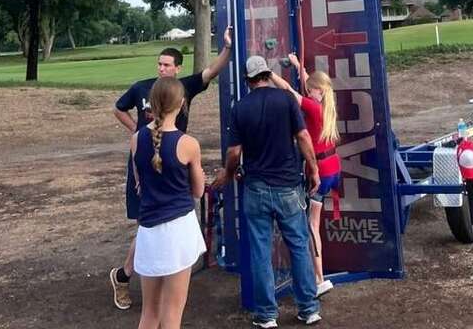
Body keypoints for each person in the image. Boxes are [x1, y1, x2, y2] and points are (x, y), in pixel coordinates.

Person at [109, 28, 232, 310]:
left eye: (167, 64)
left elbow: (211, 71)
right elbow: (118, 108)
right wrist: (136, 130)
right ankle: (127, 277)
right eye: (159, 64)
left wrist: (226, 48)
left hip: (174, 160)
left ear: (177, 68)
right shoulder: (142, 87)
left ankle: (127, 275)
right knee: (149, 221)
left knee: (164, 221)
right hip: (146, 162)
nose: (161, 68)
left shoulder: (184, 87)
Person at [214, 55, 322, 328]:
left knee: (261, 251)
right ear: (267, 74)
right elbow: (303, 137)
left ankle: (266, 315)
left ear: (248, 80)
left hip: (256, 188)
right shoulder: (285, 100)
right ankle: (308, 309)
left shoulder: (240, 108)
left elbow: (234, 152)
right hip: (288, 186)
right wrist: (313, 168)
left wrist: (229, 173)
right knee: (299, 246)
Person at [129, 77, 206, 329]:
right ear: (182, 103)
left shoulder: (136, 139)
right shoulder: (188, 144)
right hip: (177, 231)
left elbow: (139, 184)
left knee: (149, 313)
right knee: (172, 314)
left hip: (149, 231)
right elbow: (198, 190)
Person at [271, 53, 341, 296]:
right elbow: (309, 83)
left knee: (312, 226)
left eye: (311, 90)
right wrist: (300, 66)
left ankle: (319, 279)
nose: (308, 91)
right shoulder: (328, 106)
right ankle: (318, 275)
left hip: (320, 171)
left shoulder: (312, 105)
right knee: (314, 222)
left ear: (318, 92)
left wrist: (270, 74)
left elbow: (291, 91)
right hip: (333, 168)